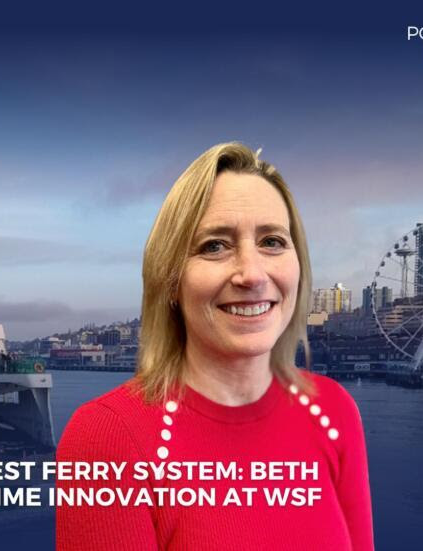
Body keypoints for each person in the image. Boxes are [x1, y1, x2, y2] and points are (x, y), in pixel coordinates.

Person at [56, 143, 373, 551]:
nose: (252, 274)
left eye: (272, 241)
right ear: (170, 280)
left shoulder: (333, 410)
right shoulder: (107, 439)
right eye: (214, 246)